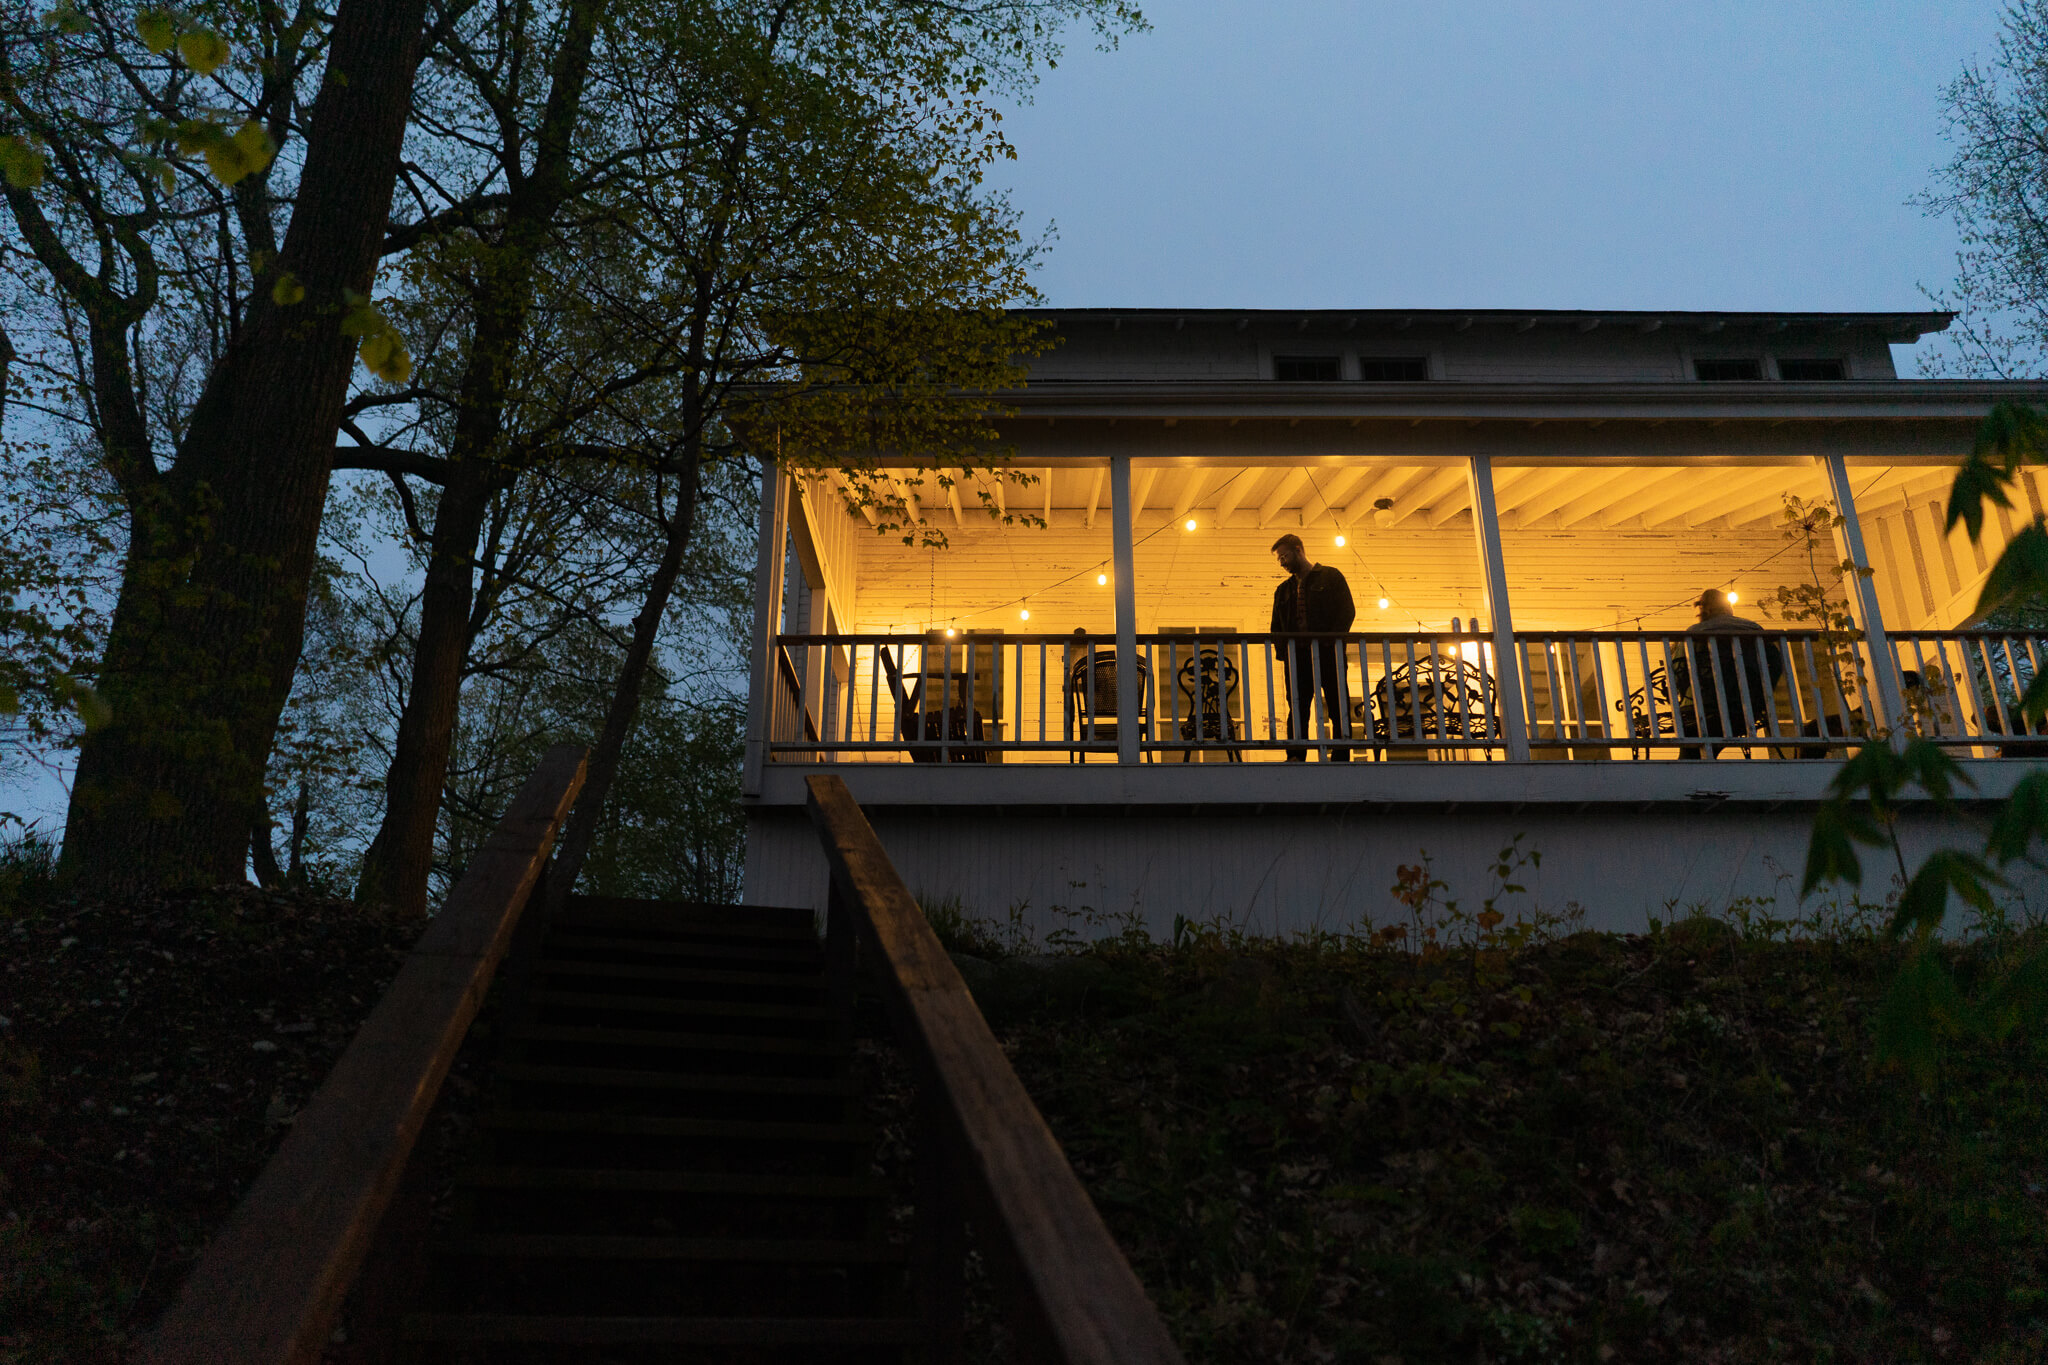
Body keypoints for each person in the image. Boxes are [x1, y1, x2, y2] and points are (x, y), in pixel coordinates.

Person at [1270, 534, 1355, 760]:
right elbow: (1276, 626)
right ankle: (1296, 755)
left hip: (1329, 653)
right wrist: (1284, 653)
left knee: (1337, 704)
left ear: (1298, 550)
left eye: (1284, 556)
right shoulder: (1283, 590)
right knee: (1297, 706)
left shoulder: (1330, 576)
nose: (1282, 563)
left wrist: (1330, 641)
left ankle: (1341, 755)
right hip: (1297, 656)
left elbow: (1347, 611)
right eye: (1279, 559)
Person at [1672, 588, 1782, 758]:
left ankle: (1691, 769)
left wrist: (1683, 696)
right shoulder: (1752, 628)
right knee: (1696, 751)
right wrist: (1762, 695)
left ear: (1703, 608)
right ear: (1728, 607)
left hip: (1700, 708)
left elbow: (1678, 669)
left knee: (1691, 748)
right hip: (1742, 707)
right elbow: (1775, 663)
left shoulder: (1694, 632)